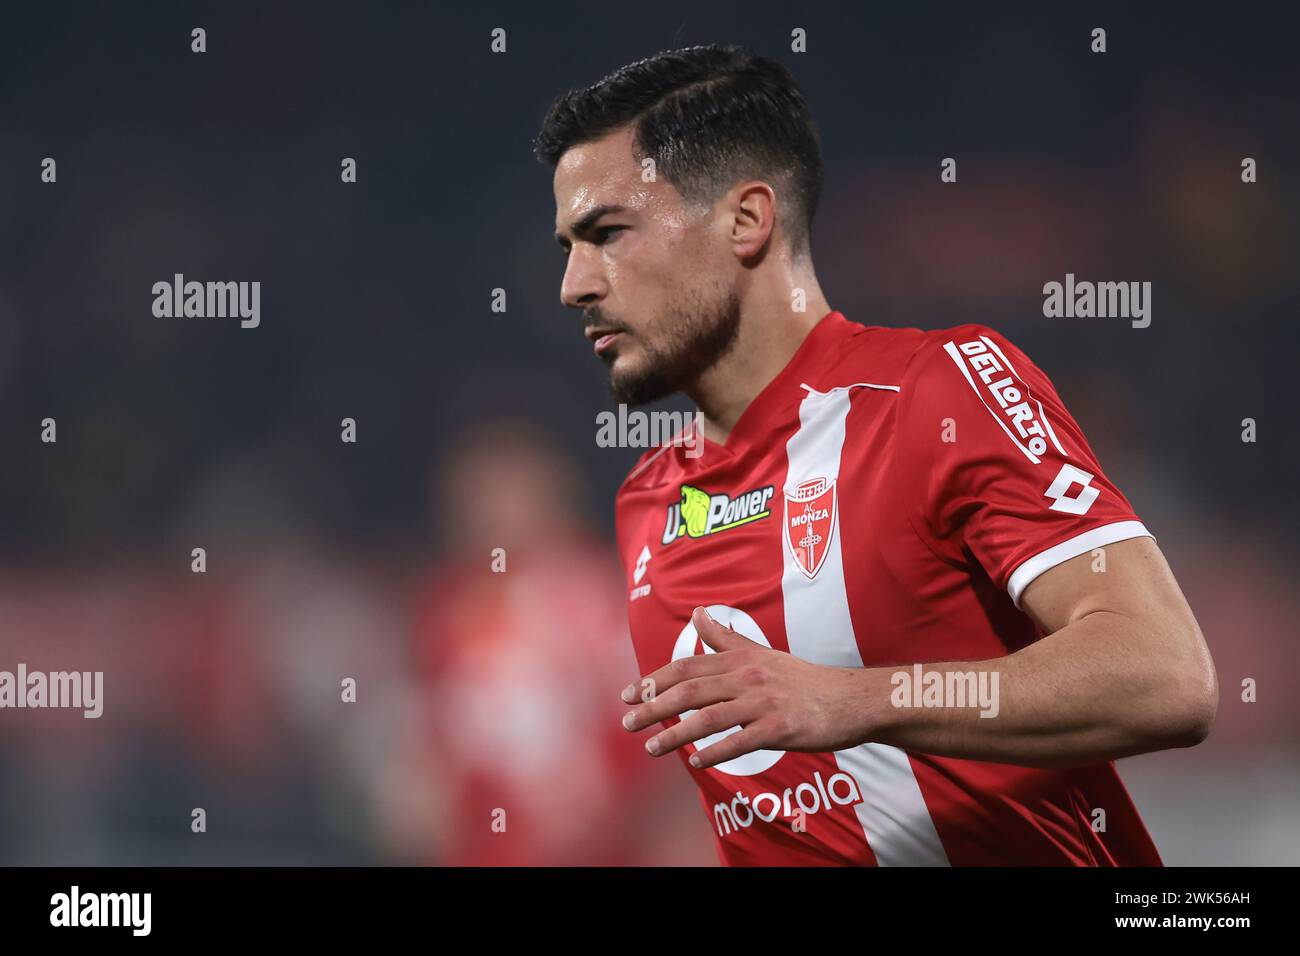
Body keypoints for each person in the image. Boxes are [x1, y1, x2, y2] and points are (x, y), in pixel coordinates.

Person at [535, 44, 1217, 865]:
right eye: (567, 246)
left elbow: (1165, 675)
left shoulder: (938, 393)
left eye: (607, 233)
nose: (575, 283)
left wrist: (858, 698)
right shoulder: (648, 502)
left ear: (746, 220)